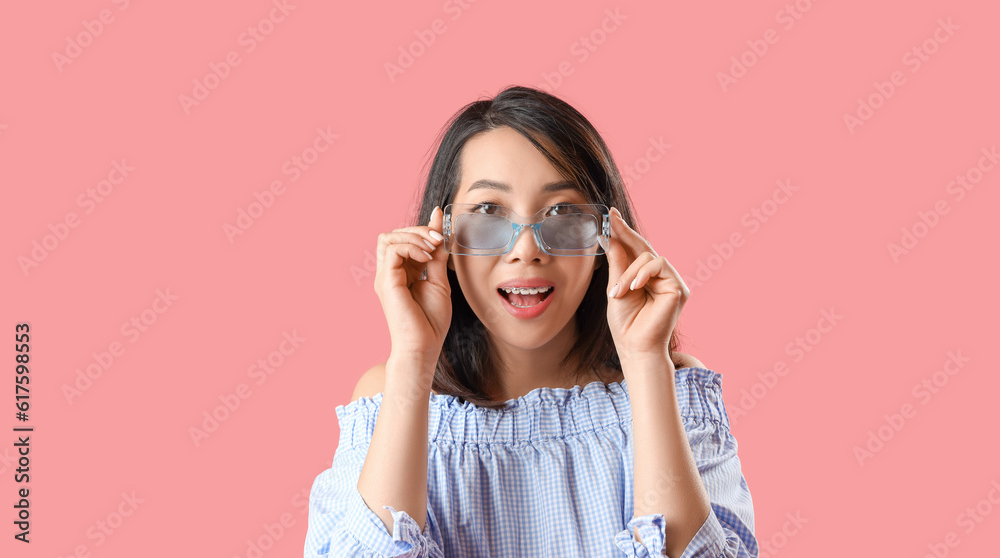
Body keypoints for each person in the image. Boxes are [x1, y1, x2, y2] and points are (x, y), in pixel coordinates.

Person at [304, 85, 757, 557]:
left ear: (604, 241)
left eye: (562, 211)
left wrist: (646, 363)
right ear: (443, 240)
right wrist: (413, 359)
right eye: (488, 212)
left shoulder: (671, 391)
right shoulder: (385, 397)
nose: (526, 249)